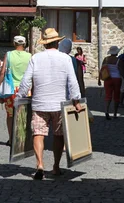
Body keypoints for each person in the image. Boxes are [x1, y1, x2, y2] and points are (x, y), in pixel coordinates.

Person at [17, 28, 82, 180]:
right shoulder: (65, 58)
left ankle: (40, 164)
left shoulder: (36, 58)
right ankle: (56, 167)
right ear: (57, 42)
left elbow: (26, 80)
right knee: (58, 136)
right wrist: (76, 100)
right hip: (59, 104)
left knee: (38, 134)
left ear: (45, 44)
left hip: (39, 103)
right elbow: (73, 81)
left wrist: (20, 97)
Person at [0, 35, 32, 144]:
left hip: (11, 89)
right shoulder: (30, 56)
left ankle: (11, 138)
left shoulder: (8, 55)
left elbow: (2, 72)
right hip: (26, 89)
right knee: (24, 115)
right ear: (25, 44)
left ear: (14, 43)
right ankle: (22, 138)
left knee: (10, 115)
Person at [98, 46, 123, 120]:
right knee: (116, 96)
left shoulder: (106, 59)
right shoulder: (118, 60)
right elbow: (121, 70)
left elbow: (101, 70)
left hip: (108, 78)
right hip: (117, 78)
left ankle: (106, 111)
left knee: (108, 95)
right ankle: (115, 113)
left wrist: (99, 79)